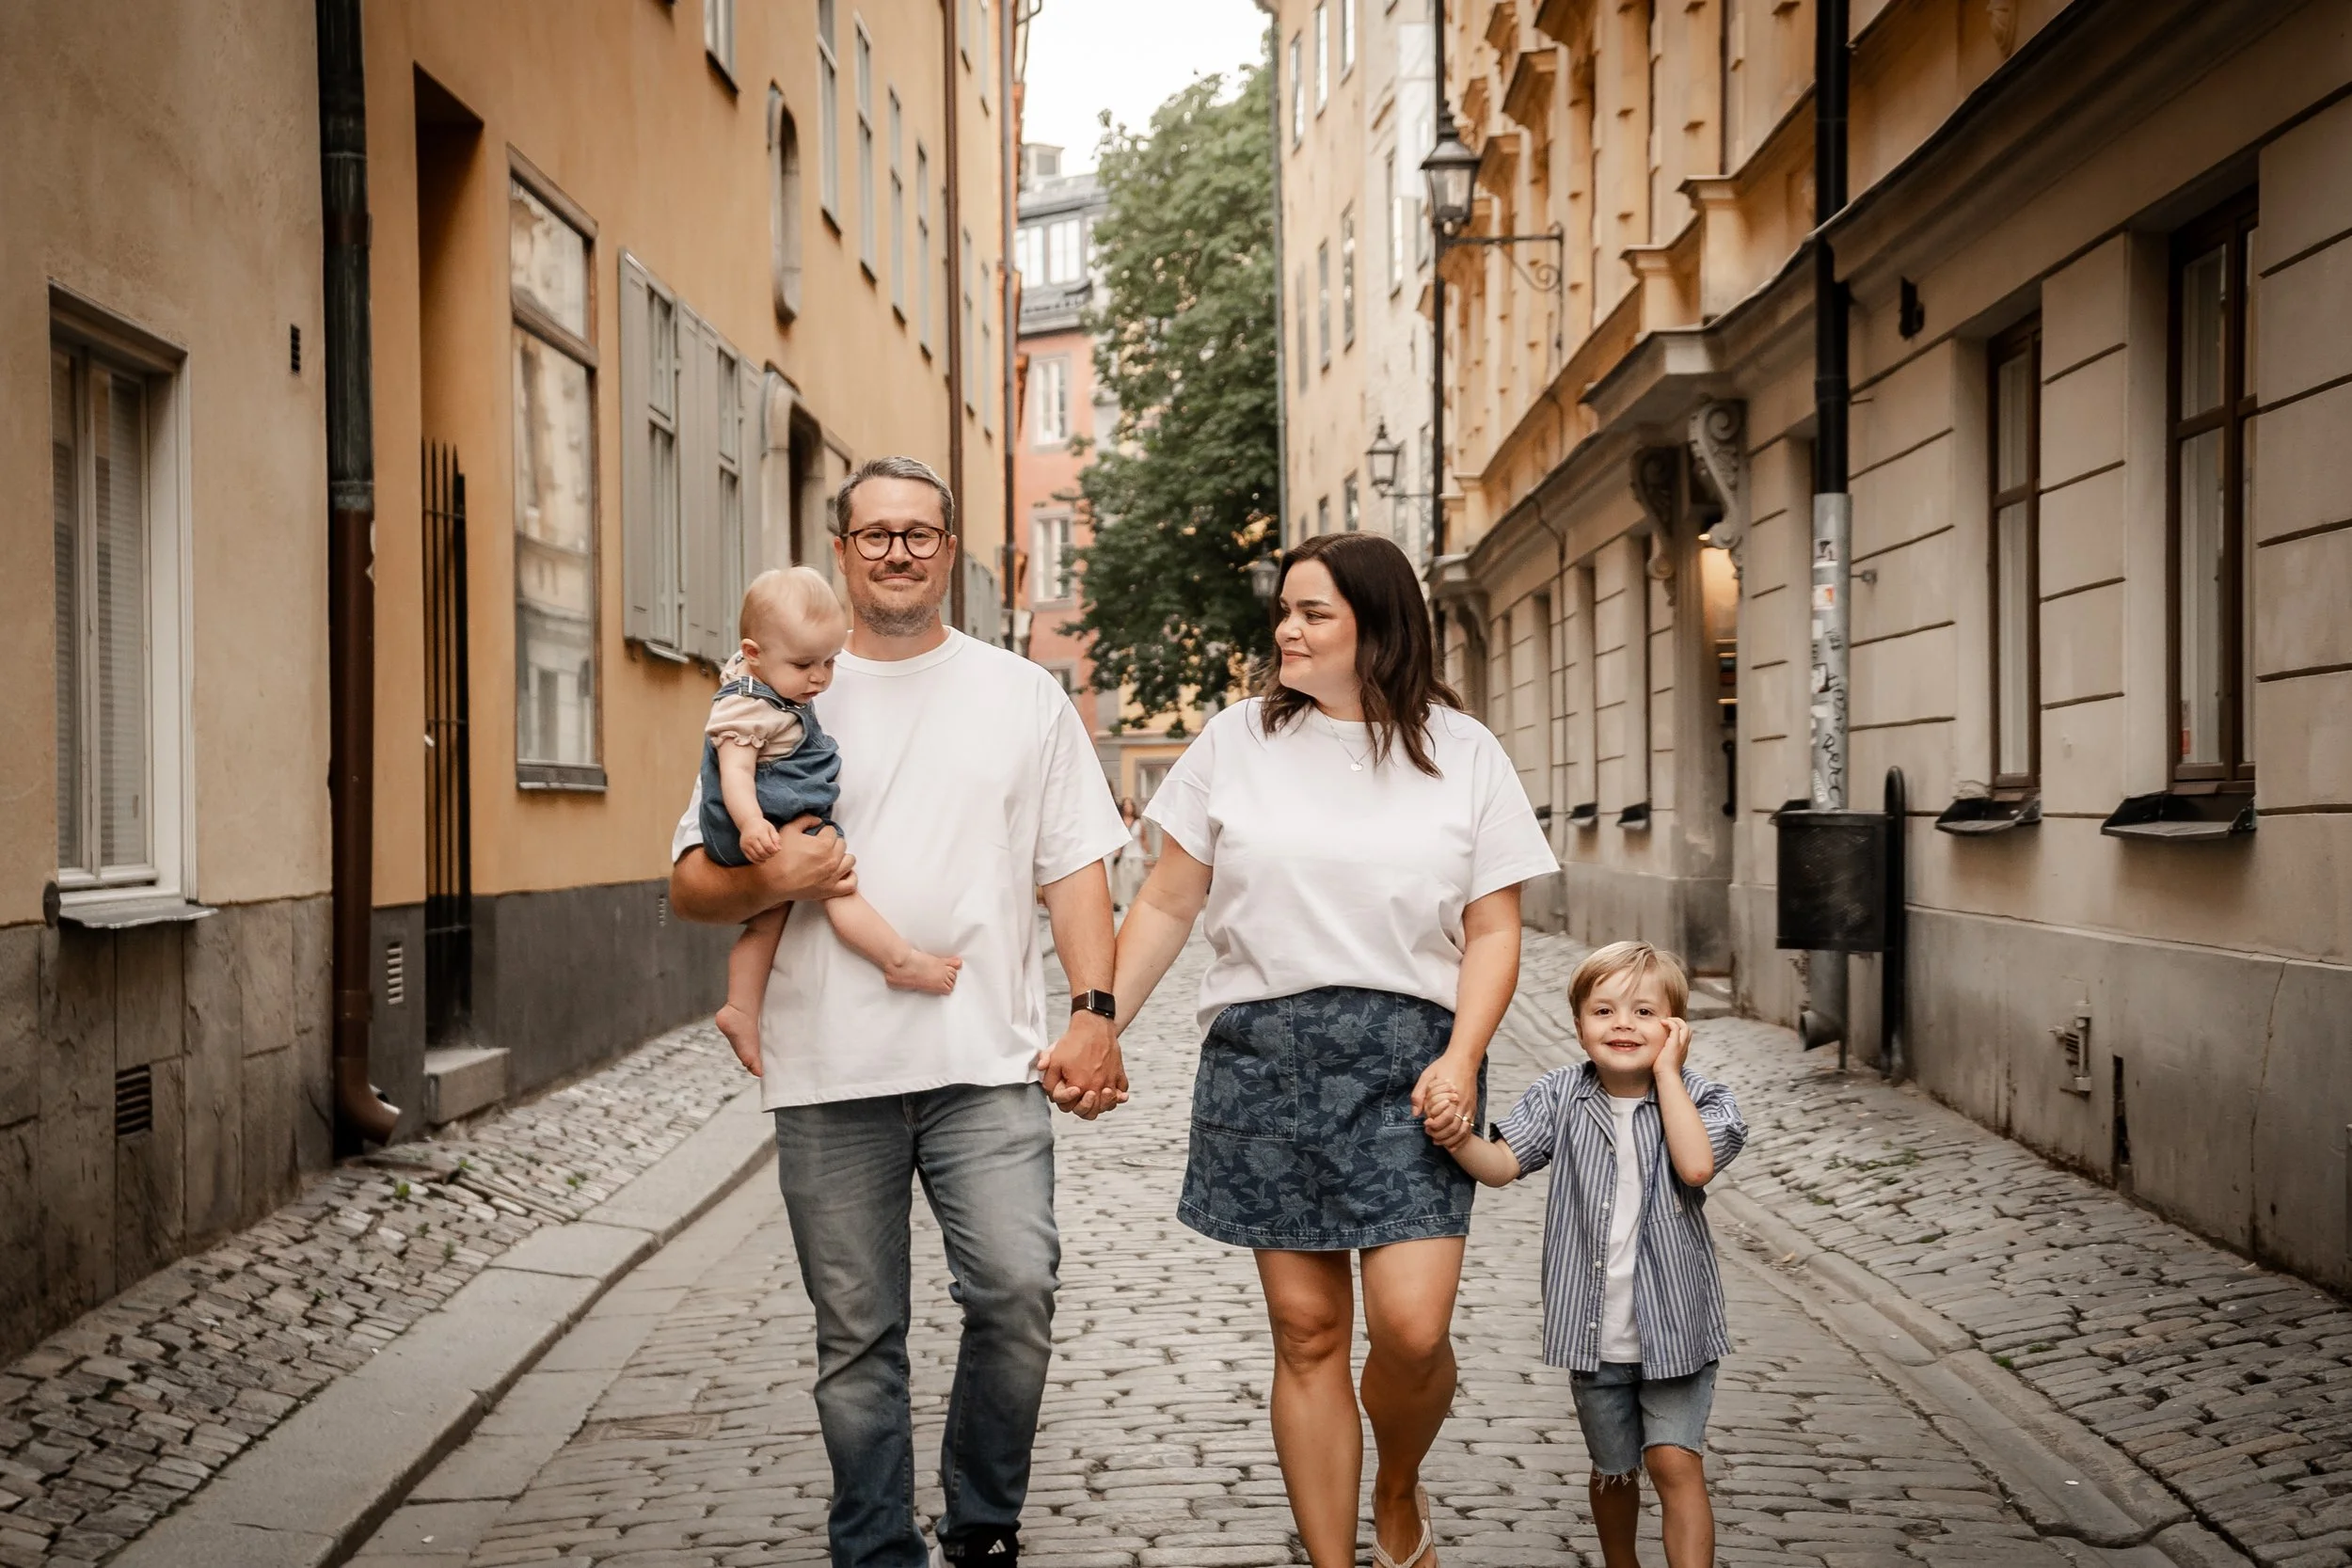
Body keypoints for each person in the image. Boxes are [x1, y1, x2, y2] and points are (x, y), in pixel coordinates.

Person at [667, 456, 1131, 1568]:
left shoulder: (1021, 693)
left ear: (950, 548)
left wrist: (1095, 1011)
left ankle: (980, 1527)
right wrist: (780, 882)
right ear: (840, 550)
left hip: (987, 1060)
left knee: (1016, 1291)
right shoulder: (777, 693)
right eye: (874, 533)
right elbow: (688, 882)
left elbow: (1075, 866)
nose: (897, 552)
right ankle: (875, 1548)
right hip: (829, 1068)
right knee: (856, 1339)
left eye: (919, 533)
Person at [1106, 532, 1559, 1568]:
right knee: (1306, 1330)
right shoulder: (1234, 741)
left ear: (1377, 625)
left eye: (1313, 612)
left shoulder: (1464, 751)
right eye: (1285, 609)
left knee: (1410, 1327)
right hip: (1266, 1059)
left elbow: (1493, 929)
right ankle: (1334, 1559)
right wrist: (1101, 1021)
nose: (1286, 630)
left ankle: (1397, 1483)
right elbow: (1170, 897)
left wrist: (1462, 1055)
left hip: (1414, 1062)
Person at [1422, 941, 1747, 1568]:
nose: (1623, 1023)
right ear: (1578, 1026)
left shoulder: (1705, 1100)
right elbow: (1502, 1165)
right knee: (1615, 1469)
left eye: (1644, 1011)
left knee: (1673, 1459)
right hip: (1594, 1331)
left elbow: (1696, 1162)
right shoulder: (1560, 1096)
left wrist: (1669, 1076)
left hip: (1677, 1325)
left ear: (1676, 1027)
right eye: (1604, 1011)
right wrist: (1460, 1138)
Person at [700, 566, 961, 1076]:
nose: (819, 678)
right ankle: (898, 960)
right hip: (765, 824)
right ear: (753, 654)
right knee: (838, 885)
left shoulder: (776, 687)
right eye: (804, 665)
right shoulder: (746, 709)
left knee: (768, 917)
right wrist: (753, 825)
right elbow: (733, 774)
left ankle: (740, 1006)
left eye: (829, 662)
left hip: (780, 817)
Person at [1107, 797, 1149, 913]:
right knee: (1124, 880)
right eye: (1125, 805)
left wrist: (1146, 854)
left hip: (1137, 855)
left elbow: (1144, 839)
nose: (1127, 807)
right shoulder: (1120, 823)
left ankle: (1136, 902)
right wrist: (1116, 854)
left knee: (1137, 879)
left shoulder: (1139, 823)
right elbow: (1118, 841)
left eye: (1129, 805)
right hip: (1124, 856)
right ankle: (1124, 903)